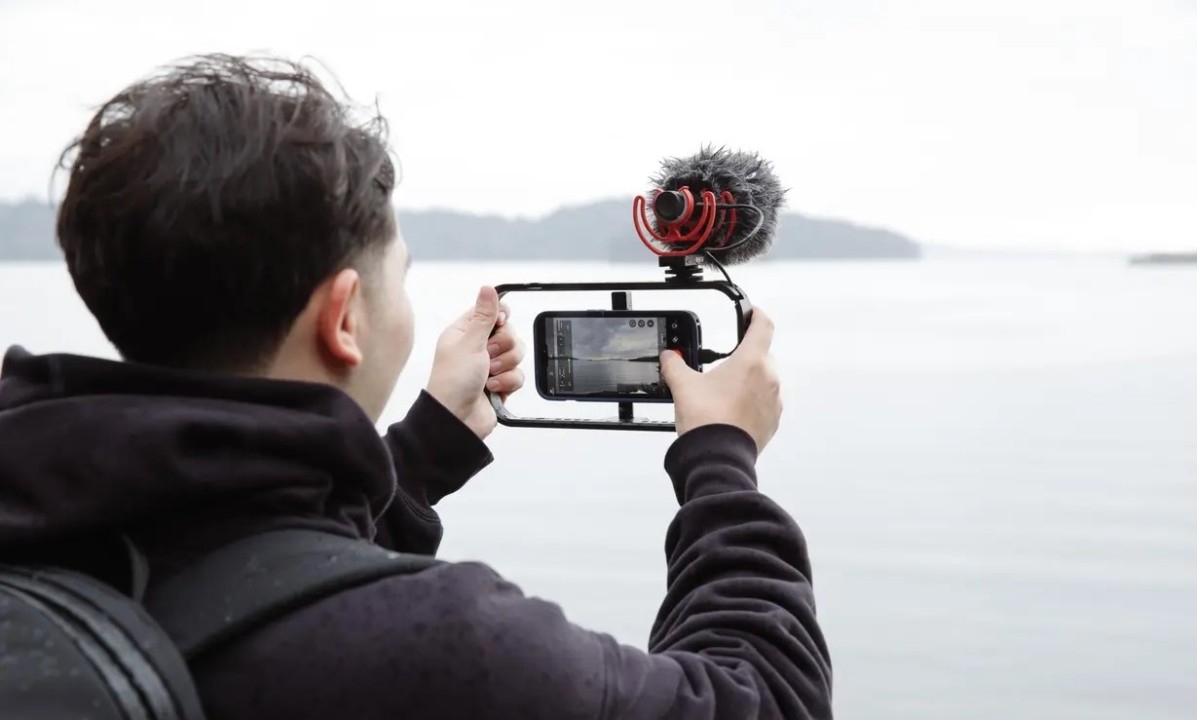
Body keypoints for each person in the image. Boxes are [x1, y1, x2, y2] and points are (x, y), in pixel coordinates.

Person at [0, 54, 833, 719]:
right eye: (400, 276)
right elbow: (765, 700)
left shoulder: (40, 519)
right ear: (343, 318)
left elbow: (244, 564)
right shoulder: (449, 646)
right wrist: (720, 461)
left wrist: (424, 453)